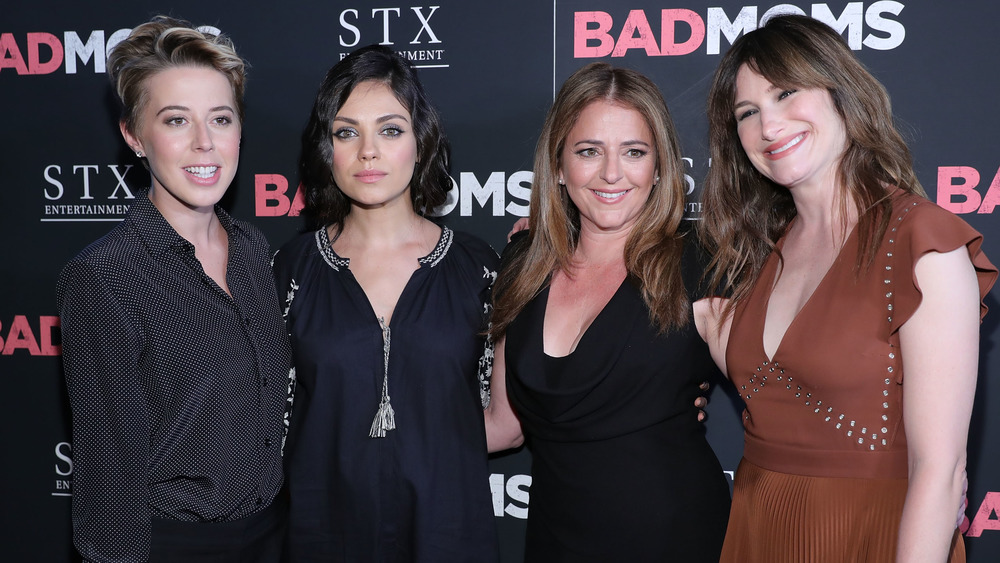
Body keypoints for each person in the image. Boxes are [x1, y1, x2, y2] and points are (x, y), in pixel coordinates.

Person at [695, 14, 997, 562]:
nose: (769, 125)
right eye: (748, 113)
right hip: (757, 527)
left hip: (873, 533)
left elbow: (942, 470)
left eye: (787, 93)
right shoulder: (756, 252)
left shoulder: (921, 240)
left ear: (841, 89)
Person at [57, 16, 291, 563]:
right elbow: (107, 477)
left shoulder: (255, 249)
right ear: (134, 136)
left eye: (221, 118)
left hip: (276, 537)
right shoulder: (107, 276)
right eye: (176, 120)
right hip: (173, 548)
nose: (205, 143)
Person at [487, 62, 731, 562]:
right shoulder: (523, 262)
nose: (612, 173)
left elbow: (778, 402)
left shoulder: (702, 264)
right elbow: (504, 425)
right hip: (556, 541)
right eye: (588, 151)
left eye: (634, 152)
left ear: (660, 165)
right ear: (557, 165)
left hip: (673, 539)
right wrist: (381, 431)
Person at [272, 45, 500, 562]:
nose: (368, 152)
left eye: (390, 130)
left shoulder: (478, 268)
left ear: (421, 141)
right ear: (327, 149)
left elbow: (502, 414)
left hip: (447, 530)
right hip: (321, 533)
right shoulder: (289, 270)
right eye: (347, 132)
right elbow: (270, 424)